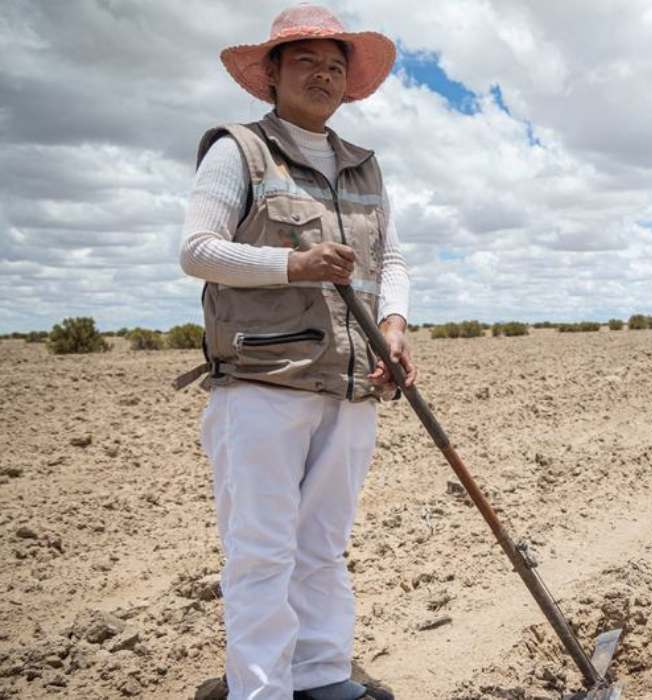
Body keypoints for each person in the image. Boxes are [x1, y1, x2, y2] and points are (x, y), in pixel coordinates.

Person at [177, 5, 414, 699]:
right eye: (306, 61)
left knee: (321, 548)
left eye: (336, 65)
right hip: (260, 382)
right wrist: (294, 265)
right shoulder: (239, 151)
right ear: (272, 74)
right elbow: (197, 251)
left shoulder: (363, 167)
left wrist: (395, 324)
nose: (324, 74)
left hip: (349, 385)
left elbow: (391, 257)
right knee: (261, 553)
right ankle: (260, 689)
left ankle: (319, 673)